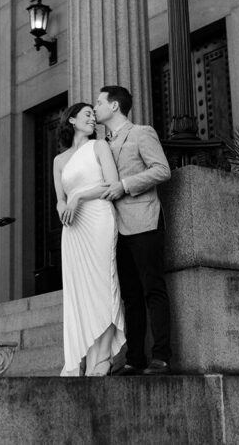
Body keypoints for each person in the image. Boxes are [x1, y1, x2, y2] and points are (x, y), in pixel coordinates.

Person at [94, 85, 173, 375]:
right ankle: (135, 358)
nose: (95, 107)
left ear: (114, 106)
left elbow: (162, 170)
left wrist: (125, 185)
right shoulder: (100, 144)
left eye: (99, 102)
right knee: (130, 295)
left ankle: (161, 356)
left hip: (144, 220)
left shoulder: (141, 133)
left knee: (153, 288)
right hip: (115, 229)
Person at [53, 102, 126, 376]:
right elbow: (60, 199)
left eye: (94, 115)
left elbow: (112, 184)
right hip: (73, 230)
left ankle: (104, 356)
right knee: (80, 294)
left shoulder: (100, 146)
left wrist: (79, 197)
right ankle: (82, 356)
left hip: (98, 218)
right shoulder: (59, 161)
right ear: (71, 120)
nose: (93, 118)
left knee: (103, 286)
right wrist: (62, 206)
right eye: (87, 114)